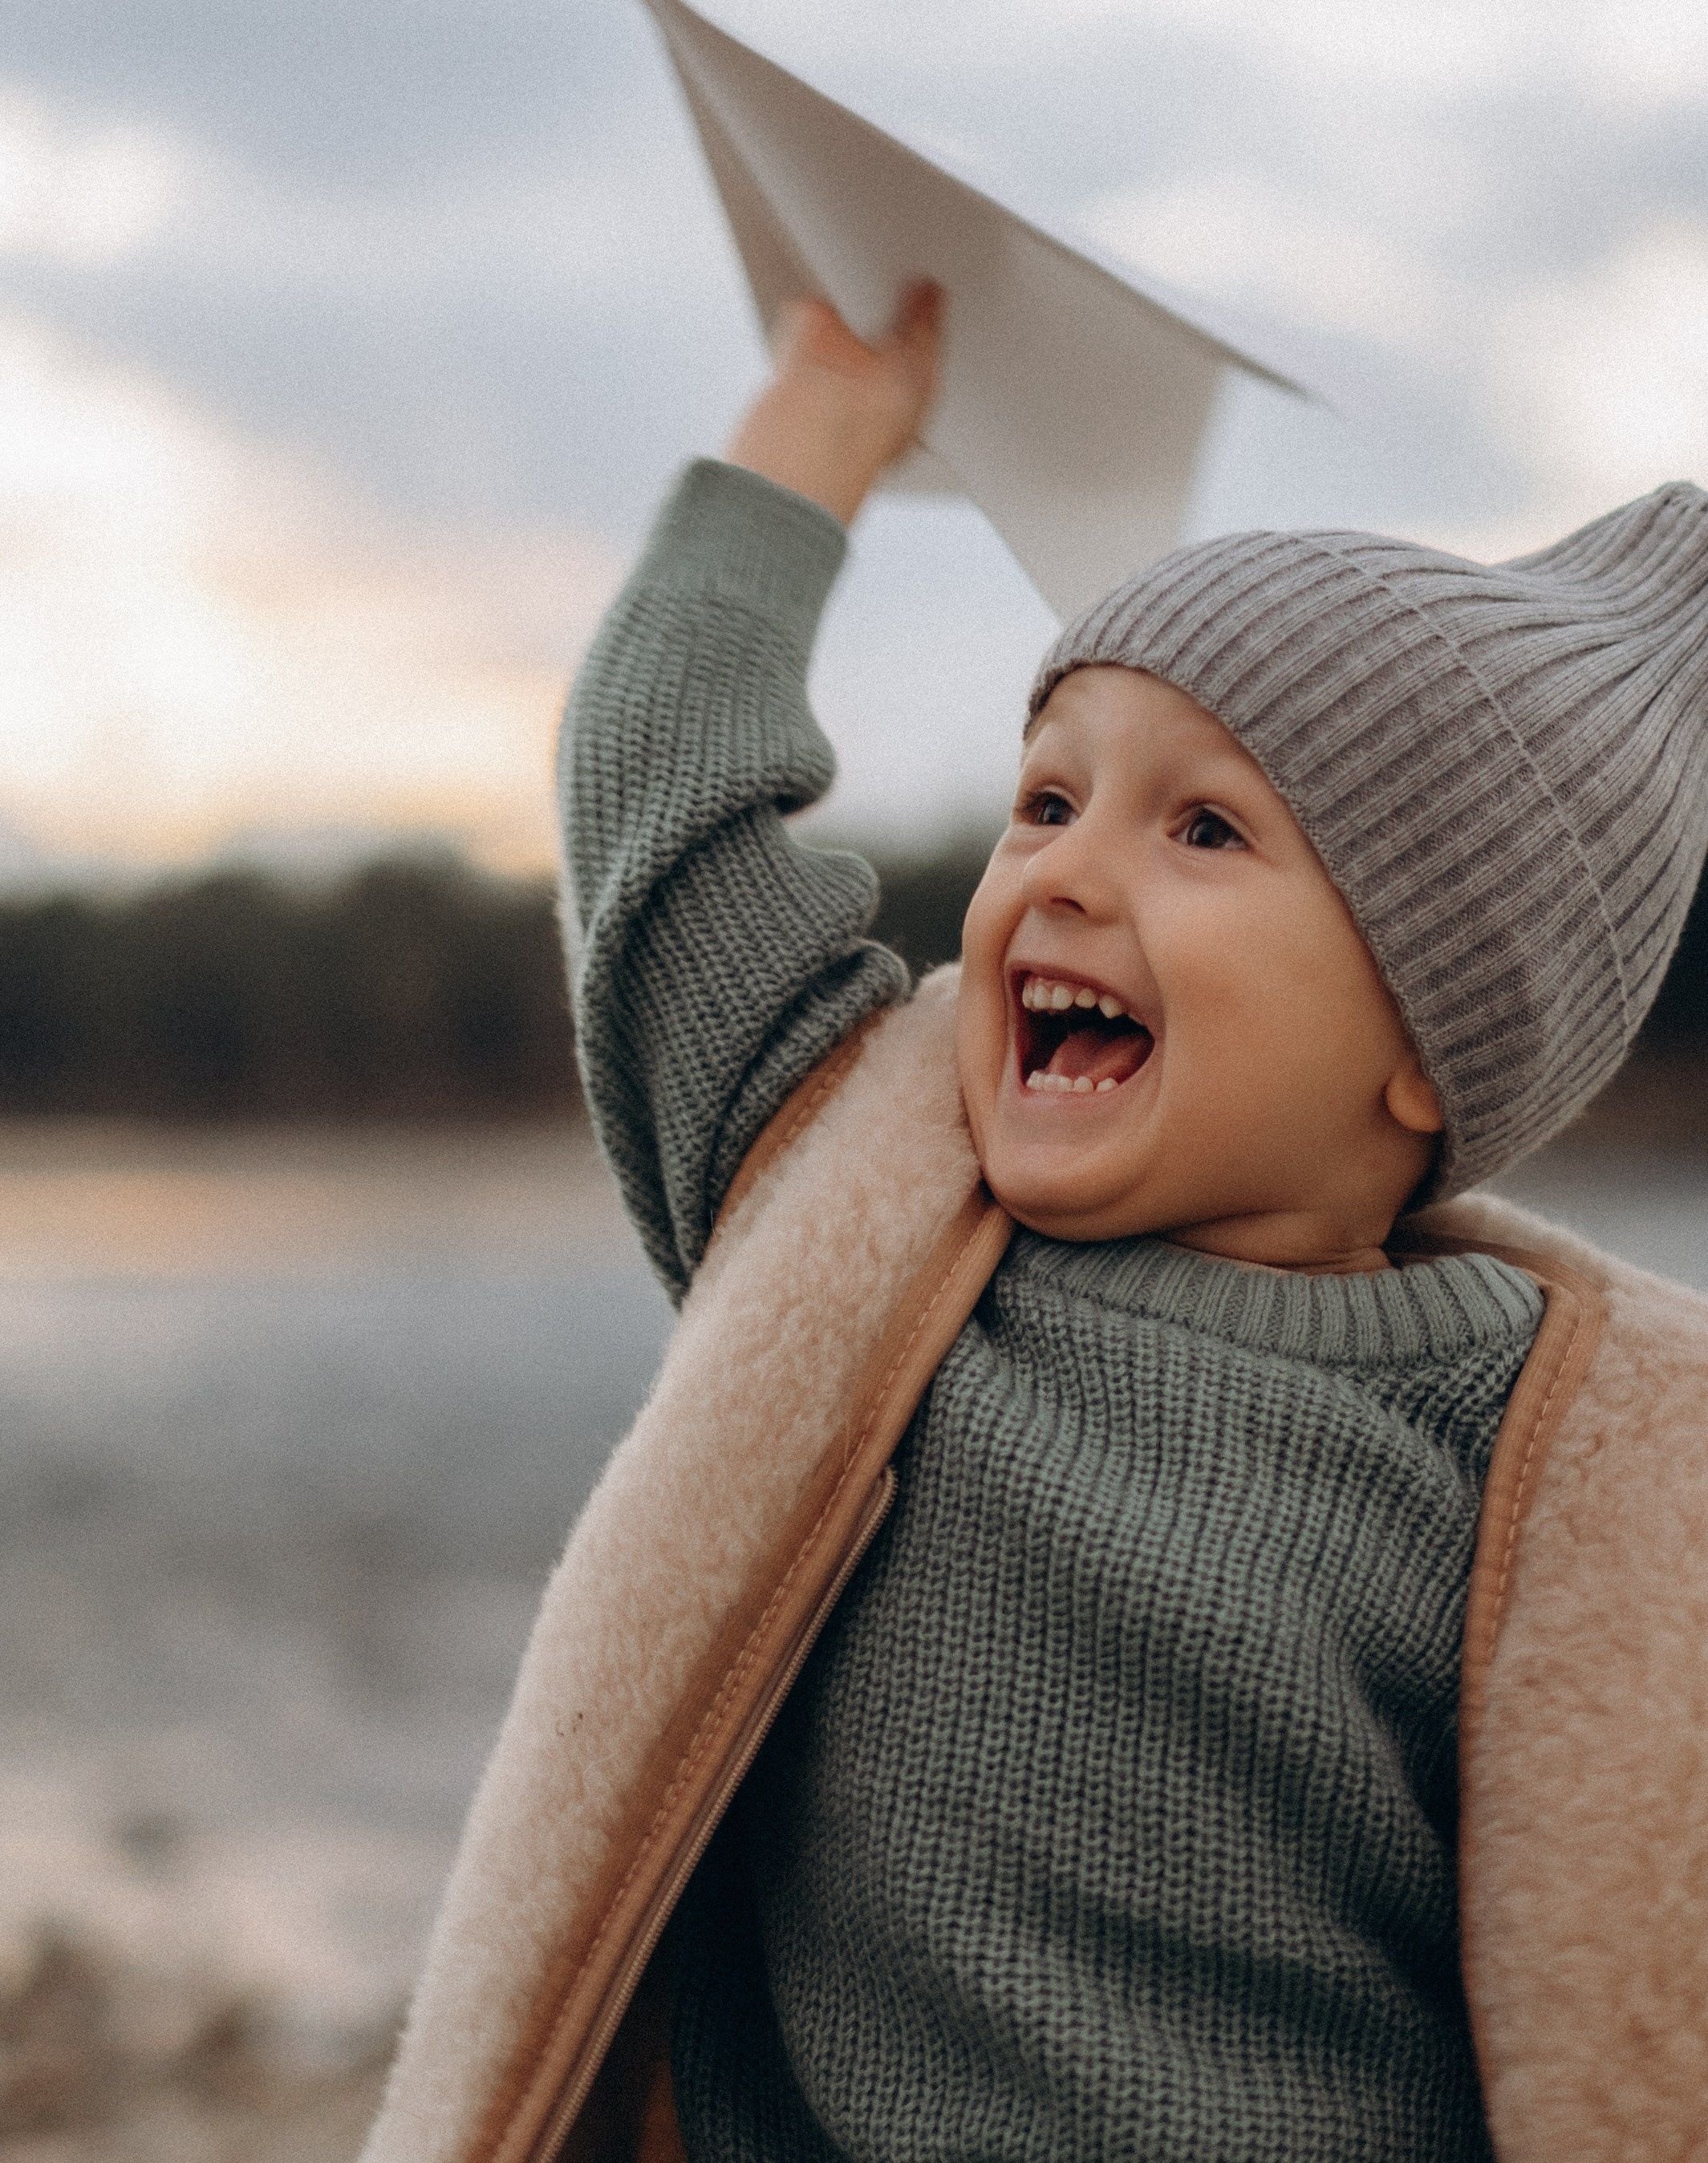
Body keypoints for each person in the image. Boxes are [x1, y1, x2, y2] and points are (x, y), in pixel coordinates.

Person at [550, 278, 1708, 2161]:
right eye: (1047, 795)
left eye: (1204, 832)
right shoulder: (872, 1265)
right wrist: (826, 424)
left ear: (1430, 1038)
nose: (1066, 871)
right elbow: (663, 815)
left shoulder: (1561, 1469)